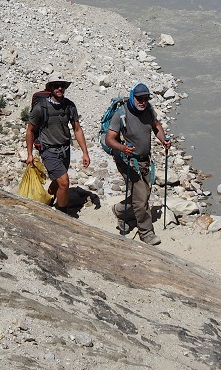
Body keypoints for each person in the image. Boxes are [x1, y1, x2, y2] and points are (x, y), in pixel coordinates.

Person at [104, 82, 171, 245]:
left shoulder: (148, 110)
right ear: (133, 97)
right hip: (128, 161)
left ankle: (121, 211)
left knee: (143, 194)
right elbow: (109, 139)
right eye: (139, 98)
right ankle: (146, 232)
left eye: (146, 98)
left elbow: (156, 126)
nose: (143, 101)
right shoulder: (121, 113)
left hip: (145, 160)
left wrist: (164, 140)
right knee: (141, 198)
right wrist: (123, 148)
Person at [25, 79, 91, 215]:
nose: (60, 88)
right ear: (50, 88)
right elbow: (30, 131)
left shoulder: (69, 106)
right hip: (48, 150)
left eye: (62, 86)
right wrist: (30, 154)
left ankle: (48, 199)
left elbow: (77, 129)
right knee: (64, 182)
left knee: (58, 179)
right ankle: (63, 214)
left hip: (65, 149)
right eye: (56, 86)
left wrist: (85, 152)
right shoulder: (40, 108)